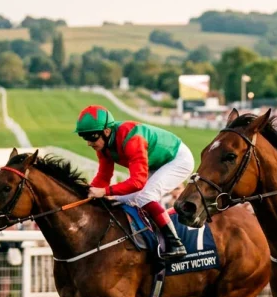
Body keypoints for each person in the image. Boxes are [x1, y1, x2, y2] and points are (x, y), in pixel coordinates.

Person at [75, 105, 193, 258]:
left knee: (146, 196)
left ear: (106, 131)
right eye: (85, 137)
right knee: (122, 199)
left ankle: (175, 243)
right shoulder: (103, 146)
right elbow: (104, 177)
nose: (88, 143)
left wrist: (104, 192)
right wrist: (88, 193)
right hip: (155, 163)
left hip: (177, 159)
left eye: (91, 137)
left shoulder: (132, 139)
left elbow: (137, 182)